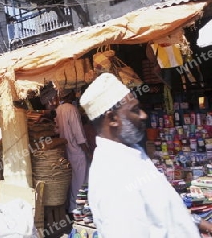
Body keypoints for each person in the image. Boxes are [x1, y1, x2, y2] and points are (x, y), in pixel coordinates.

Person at [79, 72, 200, 237]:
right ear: (113, 118)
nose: (144, 115)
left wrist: (197, 223)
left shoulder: (130, 150)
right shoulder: (112, 176)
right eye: (135, 110)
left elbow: (160, 210)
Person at [54, 89, 92, 215]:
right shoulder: (71, 109)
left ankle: (71, 207)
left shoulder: (59, 109)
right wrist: (87, 151)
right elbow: (78, 134)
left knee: (71, 181)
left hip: (66, 151)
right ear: (70, 94)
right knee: (81, 182)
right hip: (77, 151)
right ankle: (77, 210)